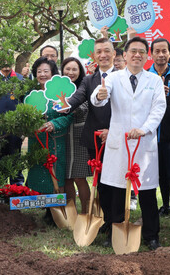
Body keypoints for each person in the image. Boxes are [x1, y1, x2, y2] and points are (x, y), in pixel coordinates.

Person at [91, 36, 166, 250]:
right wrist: (100, 95)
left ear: (147, 56)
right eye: (133, 51)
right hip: (119, 143)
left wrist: (144, 129)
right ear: (124, 55)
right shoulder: (113, 78)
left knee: (147, 192)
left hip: (144, 143)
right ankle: (115, 230)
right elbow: (99, 98)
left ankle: (151, 235)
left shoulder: (154, 81)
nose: (137, 55)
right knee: (116, 190)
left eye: (142, 52)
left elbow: (159, 109)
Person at [65, 37, 116, 238]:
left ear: (113, 54)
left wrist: (112, 130)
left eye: (106, 51)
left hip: (117, 137)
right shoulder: (88, 80)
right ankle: (107, 219)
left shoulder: (123, 77)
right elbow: (77, 99)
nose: (103, 55)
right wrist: (63, 105)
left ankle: (116, 220)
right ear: (94, 56)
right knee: (101, 181)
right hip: (95, 140)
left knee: (116, 182)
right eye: (99, 52)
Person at [26, 57, 73, 224]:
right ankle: (48, 209)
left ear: (53, 73)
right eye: (39, 71)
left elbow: (68, 117)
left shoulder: (60, 95)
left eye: (46, 71)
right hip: (37, 141)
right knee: (42, 175)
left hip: (55, 141)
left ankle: (58, 211)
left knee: (56, 174)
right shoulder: (31, 95)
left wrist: (54, 123)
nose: (42, 74)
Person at [146, 38, 170, 229]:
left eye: (164, 51)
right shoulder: (145, 76)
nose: (161, 55)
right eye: (157, 51)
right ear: (151, 54)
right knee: (154, 176)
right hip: (149, 137)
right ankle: (155, 211)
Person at [61, 57, 91, 214]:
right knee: (67, 178)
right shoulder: (57, 88)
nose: (70, 72)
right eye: (67, 68)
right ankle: (70, 213)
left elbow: (83, 109)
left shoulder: (85, 86)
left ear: (80, 72)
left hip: (79, 137)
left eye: (74, 69)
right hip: (63, 137)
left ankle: (86, 212)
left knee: (79, 177)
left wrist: (66, 105)